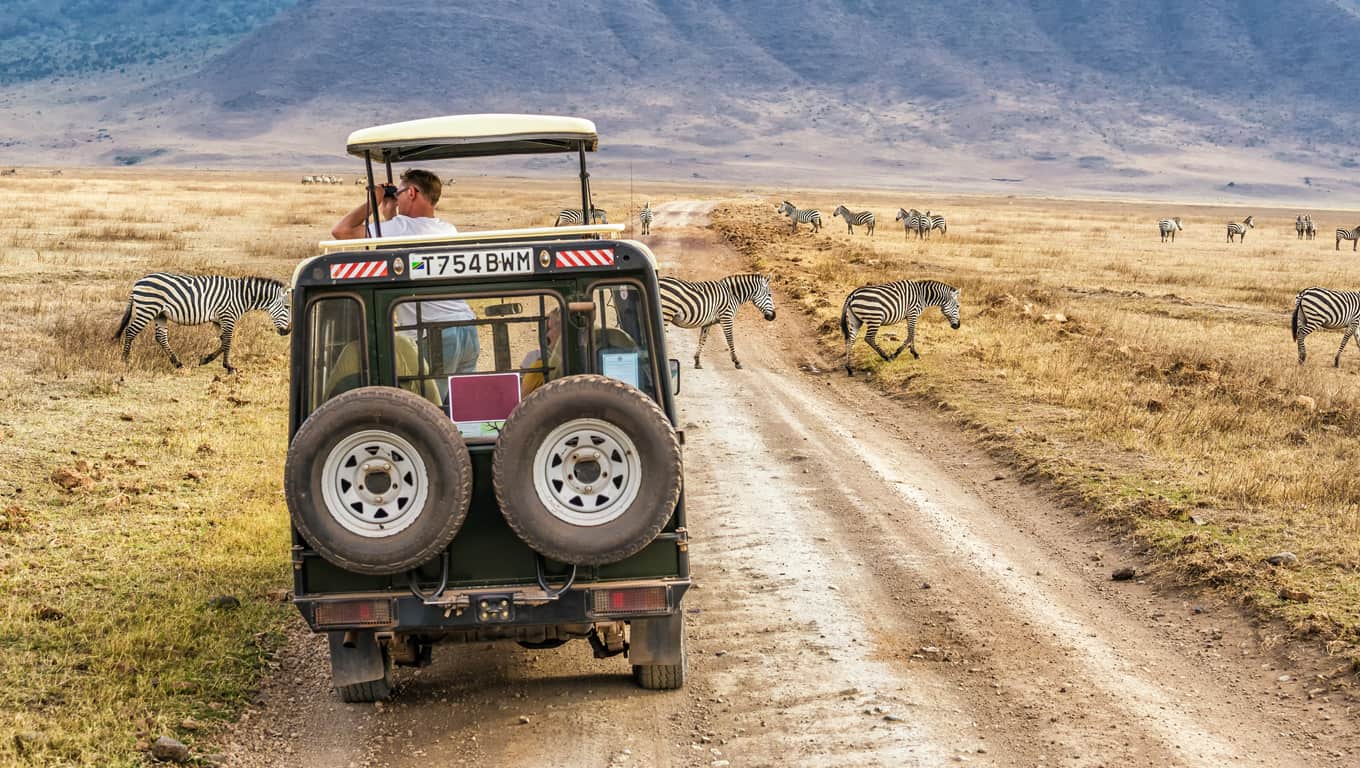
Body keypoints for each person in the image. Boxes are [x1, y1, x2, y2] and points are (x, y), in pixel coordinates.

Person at [331, 169, 479, 385]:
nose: (396, 200)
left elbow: (341, 231)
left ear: (411, 192)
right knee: (462, 408)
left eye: (398, 193)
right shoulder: (448, 229)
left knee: (427, 411)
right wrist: (390, 216)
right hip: (466, 330)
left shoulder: (399, 228)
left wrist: (375, 198)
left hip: (435, 334)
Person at [520, 307, 561, 396]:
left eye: (550, 328)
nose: (548, 334)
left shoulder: (540, 365)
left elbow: (523, 399)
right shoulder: (593, 356)